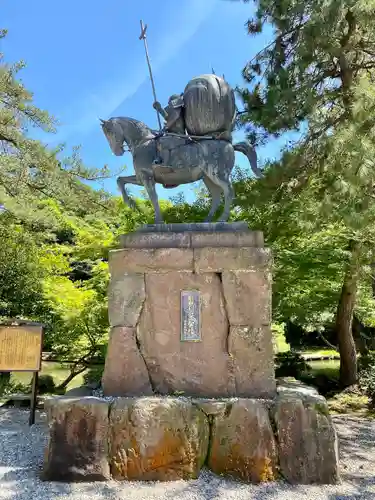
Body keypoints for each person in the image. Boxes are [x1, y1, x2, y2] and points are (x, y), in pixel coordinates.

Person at [152, 94, 186, 165]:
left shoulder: (178, 110)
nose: (169, 105)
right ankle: (160, 159)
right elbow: (167, 117)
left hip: (178, 135)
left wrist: (165, 128)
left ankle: (165, 164)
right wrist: (159, 108)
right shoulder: (173, 111)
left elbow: (174, 117)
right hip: (171, 134)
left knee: (163, 142)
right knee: (156, 140)